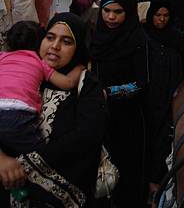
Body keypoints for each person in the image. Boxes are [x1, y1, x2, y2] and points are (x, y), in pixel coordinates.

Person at [0, 13, 106, 207]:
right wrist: (2, 159)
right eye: (50, 37)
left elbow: (86, 136)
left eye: (66, 41)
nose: (55, 46)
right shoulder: (18, 75)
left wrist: (24, 165)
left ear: (79, 49)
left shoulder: (87, 84)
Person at [90, 0, 151, 208]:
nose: (111, 17)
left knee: (127, 173)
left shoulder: (137, 40)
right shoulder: (96, 37)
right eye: (106, 11)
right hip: (99, 117)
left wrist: (110, 93)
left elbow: (143, 83)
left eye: (118, 12)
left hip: (129, 120)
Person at [143, 3, 184, 203]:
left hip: (170, 101)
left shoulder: (175, 38)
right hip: (147, 102)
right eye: (158, 15)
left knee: (163, 142)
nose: (161, 19)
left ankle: (157, 186)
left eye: (165, 15)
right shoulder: (143, 37)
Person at [0, 21, 83, 158]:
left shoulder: (2, 57)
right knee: (40, 157)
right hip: (19, 115)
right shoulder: (39, 62)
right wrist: (80, 68)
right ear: (40, 44)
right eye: (49, 38)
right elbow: (68, 83)